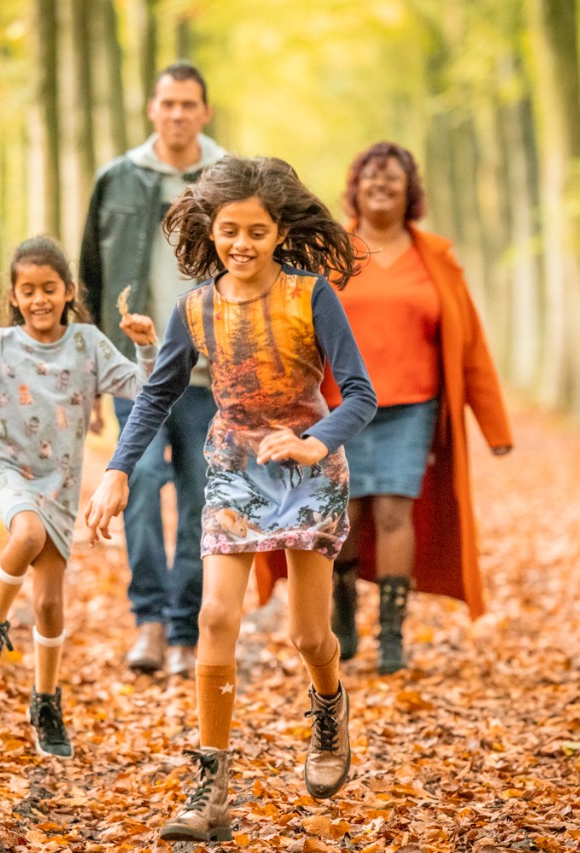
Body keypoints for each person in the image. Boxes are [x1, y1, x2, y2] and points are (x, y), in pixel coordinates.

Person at [84, 156, 377, 843]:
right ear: (209, 231)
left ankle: (329, 708)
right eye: (228, 231)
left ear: (279, 232)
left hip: (307, 469)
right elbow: (156, 393)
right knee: (217, 615)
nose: (240, 244)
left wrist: (314, 439)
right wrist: (118, 468)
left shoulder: (311, 297)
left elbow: (361, 394)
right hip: (233, 467)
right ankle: (210, 785)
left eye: (255, 231)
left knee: (309, 634)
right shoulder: (197, 305)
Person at [0, 236, 158, 759]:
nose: (38, 299)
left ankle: (45, 702)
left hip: (60, 483)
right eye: (27, 290)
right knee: (27, 533)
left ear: (68, 291)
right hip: (11, 469)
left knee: (50, 604)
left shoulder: (87, 343)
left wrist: (147, 345)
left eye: (49, 289)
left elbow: (145, 387)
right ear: (13, 296)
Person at [328, 141, 512, 674]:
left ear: (410, 192)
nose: (381, 186)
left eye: (393, 180)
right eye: (371, 178)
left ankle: (391, 635)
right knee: (344, 515)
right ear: (355, 188)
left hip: (412, 407)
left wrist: (494, 425)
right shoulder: (330, 252)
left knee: (393, 512)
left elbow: (469, 341)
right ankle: (343, 615)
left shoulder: (436, 258)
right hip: (340, 408)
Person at [80, 62, 227, 678]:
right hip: (133, 374)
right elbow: (86, 277)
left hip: (211, 375)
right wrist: (87, 372)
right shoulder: (117, 178)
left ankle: (185, 633)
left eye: (188, 104)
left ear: (205, 112)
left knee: (201, 501)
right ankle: (146, 622)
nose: (177, 115)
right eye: (167, 103)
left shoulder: (231, 180)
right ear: (151, 108)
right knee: (135, 489)